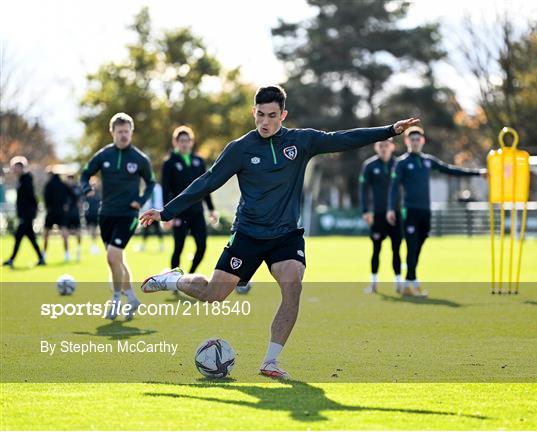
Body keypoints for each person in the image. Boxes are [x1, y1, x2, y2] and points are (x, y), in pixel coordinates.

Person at [139, 85, 420, 379]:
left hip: (286, 234)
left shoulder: (301, 141)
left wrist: (389, 130)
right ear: (253, 112)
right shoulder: (240, 148)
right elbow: (208, 181)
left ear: (283, 115)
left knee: (293, 284)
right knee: (213, 294)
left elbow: (343, 139)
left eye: (272, 115)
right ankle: (173, 280)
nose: (264, 122)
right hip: (248, 233)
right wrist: (166, 212)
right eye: (260, 114)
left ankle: (270, 361)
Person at [387, 126, 486, 297]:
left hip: (425, 211)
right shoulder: (402, 163)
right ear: (407, 141)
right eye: (412, 139)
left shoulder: (428, 161)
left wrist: (477, 173)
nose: (415, 142)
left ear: (422, 141)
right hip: (409, 210)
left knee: (419, 246)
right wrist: (390, 208)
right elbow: (394, 187)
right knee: (411, 247)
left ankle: (410, 280)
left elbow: (451, 170)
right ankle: (410, 283)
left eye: (418, 139)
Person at [80, 112, 155, 320]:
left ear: (132, 132)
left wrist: (140, 201)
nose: (123, 135)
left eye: (127, 131)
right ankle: (131, 299)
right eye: (120, 131)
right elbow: (85, 173)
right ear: (112, 132)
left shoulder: (140, 159)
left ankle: (115, 301)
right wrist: (86, 188)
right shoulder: (103, 155)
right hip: (106, 214)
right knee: (116, 260)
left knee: (113, 256)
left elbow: (150, 183)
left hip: (128, 215)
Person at [161, 126, 218, 271]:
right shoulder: (169, 163)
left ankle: (190, 275)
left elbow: (205, 187)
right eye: (181, 141)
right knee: (178, 247)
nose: (184, 143)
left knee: (202, 246)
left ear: (191, 142)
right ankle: (174, 280)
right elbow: (166, 191)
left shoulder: (198, 161)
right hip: (179, 212)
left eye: (187, 140)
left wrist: (211, 209)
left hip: (197, 212)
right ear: (175, 142)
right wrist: (167, 214)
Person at [360, 138, 402, 294]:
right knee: (376, 249)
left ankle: (399, 283)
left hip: (396, 214)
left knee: (396, 249)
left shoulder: (399, 165)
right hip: (377, 214)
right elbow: (363, 190)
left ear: (392, 146)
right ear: (376, 147)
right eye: (381, 145)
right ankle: (373, 283)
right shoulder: (369, 166)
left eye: (386, 145)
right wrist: (366, 210)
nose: (384, 148)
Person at [3, 156, 45, 267]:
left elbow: (30, 196)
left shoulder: (26, 179)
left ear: (20, 167)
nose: (13, 170)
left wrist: (31, 213)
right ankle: (41, 258)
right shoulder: (21, 179)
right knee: (31, 238)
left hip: (26, 215)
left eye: (15, 167)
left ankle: (11, 259)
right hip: (24, 214)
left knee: (18, 236)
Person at [43, 170, 70, 261]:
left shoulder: (48, 185)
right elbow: (71, 195)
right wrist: (66, 205)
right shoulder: (63, 184)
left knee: (46, 234)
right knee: (64, 233)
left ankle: (44, 254)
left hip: (51, 212)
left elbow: (46, 198)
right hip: (61, 212)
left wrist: (48, 207)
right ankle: (67, 254)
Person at [137, 182, 164, 252]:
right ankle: (144, 246)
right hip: (150, 211)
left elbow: (160, 199)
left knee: (156, 229)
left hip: (156, 211)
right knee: (147, 229)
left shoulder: (158, 188)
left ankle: (161, 246)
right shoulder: (150, 187)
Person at [65, 174, 83, 262]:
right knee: (65, 234)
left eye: (70, 179)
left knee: (78, 233)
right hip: (66, 215)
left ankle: (78, 250)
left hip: (75, 214)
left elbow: (80, 201)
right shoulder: (63, 188)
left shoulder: (77, 188)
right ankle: (67, 253)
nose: (69, 181)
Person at [83, 178, 101, 255]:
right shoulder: (88, 194)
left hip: (96, 214)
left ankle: (94, 244)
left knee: (95, 230)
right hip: (89, 214)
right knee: (90, 229)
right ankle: (93, 244)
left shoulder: (98, 194)